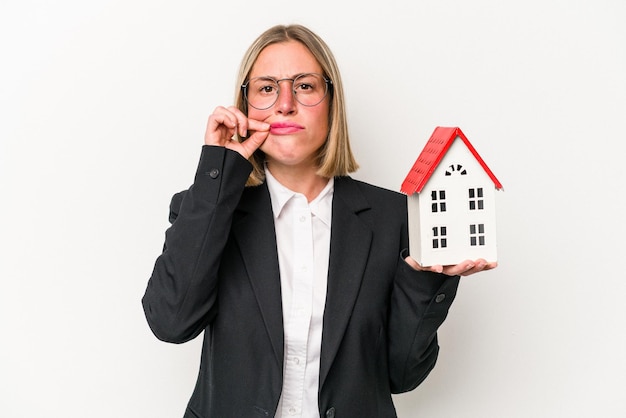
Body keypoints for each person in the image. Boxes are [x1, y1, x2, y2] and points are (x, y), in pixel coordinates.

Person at [142, 24, 496, 418]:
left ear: (331, 101)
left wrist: (427, 281)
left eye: (305, 86)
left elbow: (401, 375)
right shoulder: (208, 209)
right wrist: (218, 171)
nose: (285, 104)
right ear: (244, 107)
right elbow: (170, 322)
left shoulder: (392, 217)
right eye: (266, 88)